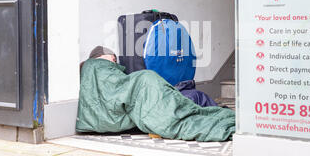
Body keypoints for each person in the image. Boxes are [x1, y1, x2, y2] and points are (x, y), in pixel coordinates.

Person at [77, 46, 235, 142]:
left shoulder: (92, 71)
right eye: (113, 59)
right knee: (192, 97)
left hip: (142, 104)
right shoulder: (96, 66)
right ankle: (217, 113)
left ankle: (214, 112)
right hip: (145, 103)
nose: (115, 61)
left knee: (190, 96)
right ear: (103, 57)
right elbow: (122, 91)